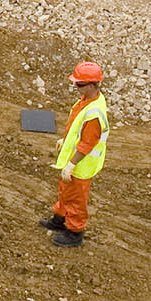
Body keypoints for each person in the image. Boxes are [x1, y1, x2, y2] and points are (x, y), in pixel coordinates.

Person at [42, 61, 109, 247]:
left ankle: (75, 232)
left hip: (82, 165)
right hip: (74, 159)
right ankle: (61, 218)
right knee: (65, 191)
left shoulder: (94, 112)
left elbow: (88, 143)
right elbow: (78, 130)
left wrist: (72, 164)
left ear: (93, 85)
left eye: (79, 84)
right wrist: (66, 142)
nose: (75, 87)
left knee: (76, 198)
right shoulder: (85, 100)